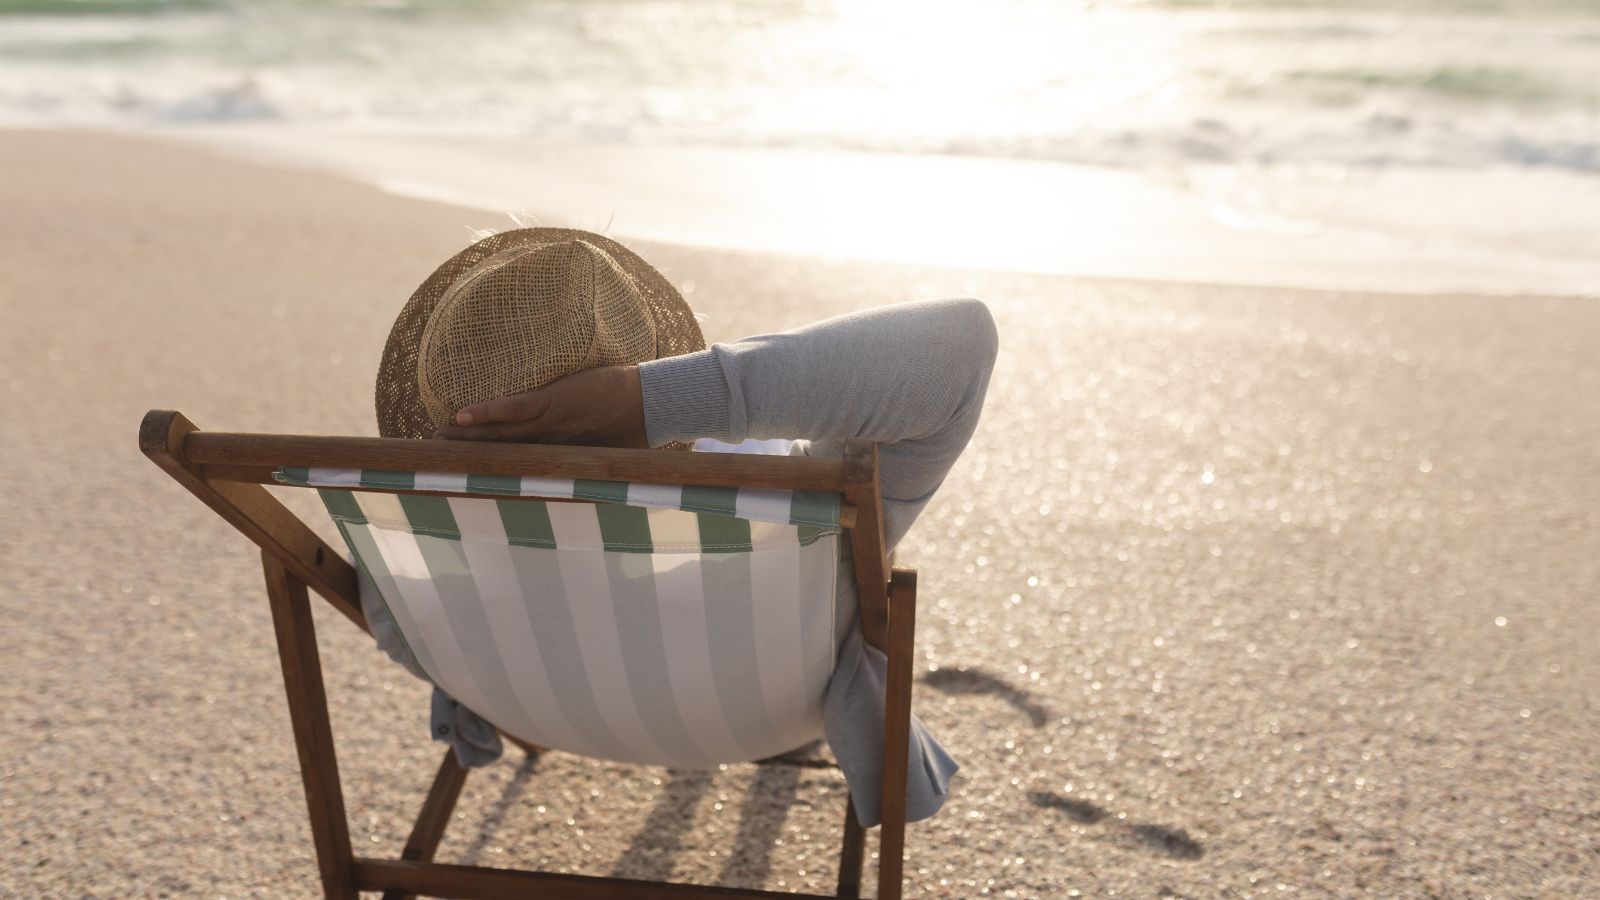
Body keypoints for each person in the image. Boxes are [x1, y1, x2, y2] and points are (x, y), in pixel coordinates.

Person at [364, 228, 998, 825]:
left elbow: (398, 635)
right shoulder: (778, 497)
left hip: (533, 706)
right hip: (768, 715)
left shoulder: (414, 528)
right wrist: (645, 402)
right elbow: (961, 345)